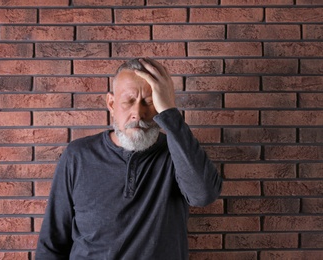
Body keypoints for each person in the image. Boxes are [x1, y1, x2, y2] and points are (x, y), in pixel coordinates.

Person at [35, 58, 222, 260]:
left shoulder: (177, 153)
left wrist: (170, 112)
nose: (138, 114)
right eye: (129, 101)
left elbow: (204, 195)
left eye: (149, 102)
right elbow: (52, 242)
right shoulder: (78, 155)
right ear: (112, 104)